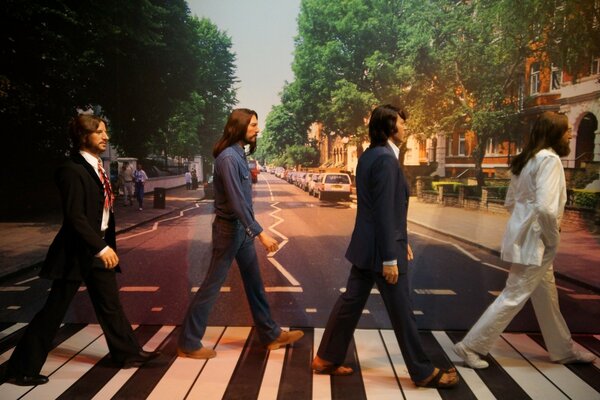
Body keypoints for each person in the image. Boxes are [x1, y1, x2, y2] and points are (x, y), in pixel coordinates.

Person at [1, 114, 159, 387]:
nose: (105, 137)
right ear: (84, 136)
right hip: (77, 251)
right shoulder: (71, 169)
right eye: (99, 132)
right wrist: (100, 248)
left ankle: (127, 354)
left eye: (105, 131)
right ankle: (20, 369)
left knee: (110, 304)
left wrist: (104, 243)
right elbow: (75, 217)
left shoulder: (97, 166)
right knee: (53, 311)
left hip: (96, 246)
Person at [312, 104, 458, 389]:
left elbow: (381, 209)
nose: (406, 128)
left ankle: (326, 358)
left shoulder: (369, 156)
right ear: (390, 127)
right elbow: (384, 210)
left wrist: (399, 244)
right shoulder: (386, 160)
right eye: (402, 123)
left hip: (367, 248)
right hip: (381, 253)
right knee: (402, 311)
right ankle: (423, 372)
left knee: (350, 303)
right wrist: (391, 255)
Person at [454, 111, 596, 369]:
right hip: (538, 241)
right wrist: (552, 238)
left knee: (547, 297)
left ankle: (563, 349)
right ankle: (471, 346)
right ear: (554, 133)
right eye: (565, 131)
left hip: (522, 237)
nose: (568, 135)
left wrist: (524, 224)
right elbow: (546, 209)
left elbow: (510, 203)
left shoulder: (525, 160)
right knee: (513, 295)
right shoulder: (550, 161)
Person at [177, 108, 304, 359]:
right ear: (240, 126)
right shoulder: (228, 158)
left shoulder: (238, 155)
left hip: (240, 231)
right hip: (229, 231)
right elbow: (236, 201)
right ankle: (188, 342)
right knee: (212, 286)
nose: (258, 129)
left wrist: (250, 230)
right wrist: (261, 234)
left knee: (255, 284)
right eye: (253, 125)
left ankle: (270, 335)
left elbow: (243, 203)